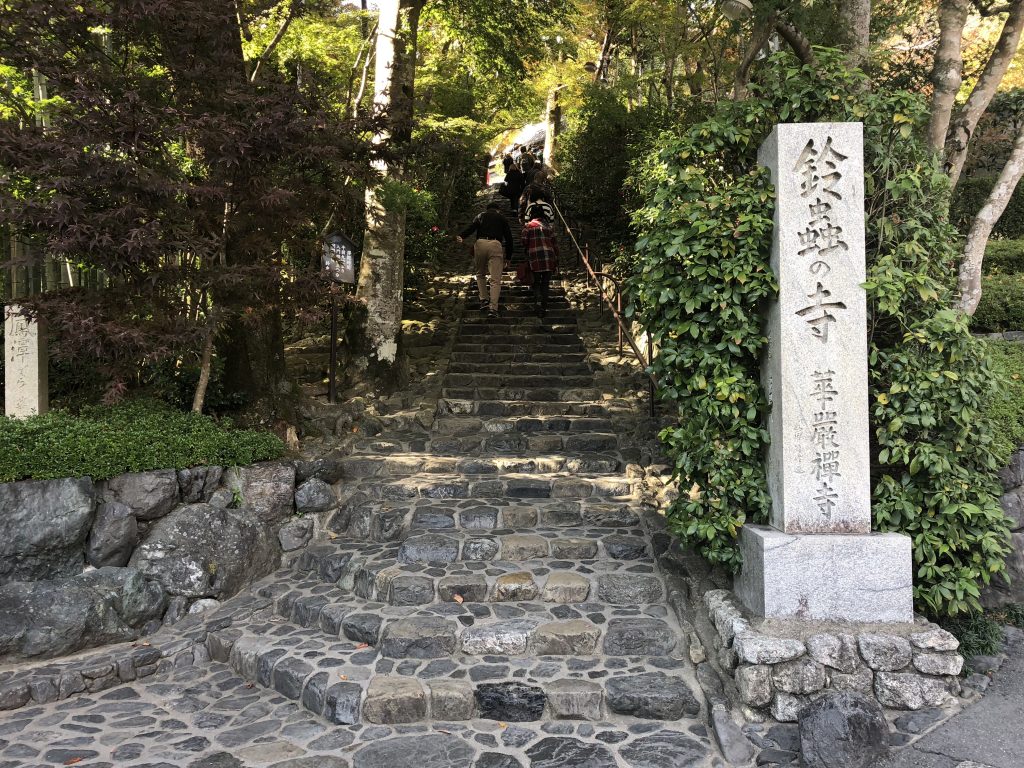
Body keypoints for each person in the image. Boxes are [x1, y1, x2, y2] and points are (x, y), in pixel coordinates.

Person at [457, 202, 513, 317]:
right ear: (498, 210)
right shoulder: (502, 218)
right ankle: (493, 308)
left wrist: (461, 236)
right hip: (495, 244)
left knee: (480, 274)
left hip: (480, 243)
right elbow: (509, 238)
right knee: (495, 279)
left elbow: (471, 228)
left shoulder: (481, 216)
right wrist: (508, 257)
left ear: (487, 209)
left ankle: (484, 299)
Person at [521, 201, 559, 318]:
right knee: (545, 283)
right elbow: (555, 244)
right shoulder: (549, 227)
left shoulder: (527, 227)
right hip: (548, 258)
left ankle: (537, 303)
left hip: (535, 258)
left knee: (536, 282)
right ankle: (543, 306)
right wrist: (557, 259)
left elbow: (523, 241)